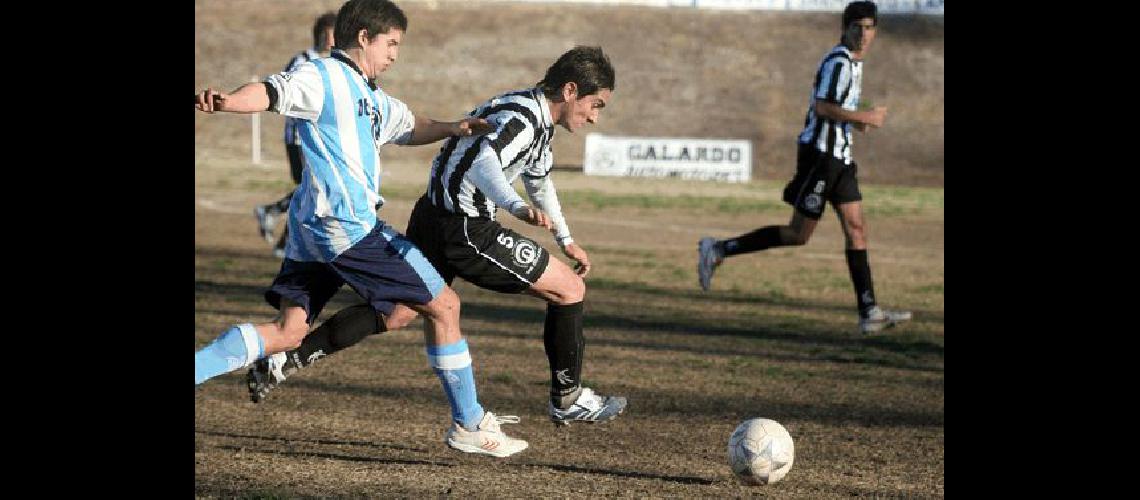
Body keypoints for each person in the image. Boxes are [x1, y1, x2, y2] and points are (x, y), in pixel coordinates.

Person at [194, 0, 528, 458]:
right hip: (346, 225)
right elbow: (270, 93)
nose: (395, 54)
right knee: (445, 306)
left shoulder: (369, 94)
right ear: (365, 38)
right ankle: (469, 423)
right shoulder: (323, 76)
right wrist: (229, 101)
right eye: (391, 43)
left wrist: (454, 127)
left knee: (289, 332)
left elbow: (410, 126)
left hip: (314, 226)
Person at [244, 46, 629, 427]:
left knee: (397, 312)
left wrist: (565, 238)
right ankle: (568, 398)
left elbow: (540, 181)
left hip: (432, 216)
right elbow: (483, 164)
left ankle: (284, 361)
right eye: (596, 105)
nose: (594, 117)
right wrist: (515, 207)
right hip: (466, 228)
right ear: (570, 90)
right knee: (569, 290)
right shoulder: (523, 119)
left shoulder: (529, 114)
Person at [696, 1, 911, 335]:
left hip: (841, 159)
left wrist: (857, 122)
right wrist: (863, 117)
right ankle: (719, 248)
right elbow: (822, 106)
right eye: (858, 26)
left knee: (857, 228)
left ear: (876, 30)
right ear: (846, 27)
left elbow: (837, 108)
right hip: (820, 158)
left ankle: (870, 311)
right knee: (798, 234)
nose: (864, 34)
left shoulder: (855, 64)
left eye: (869, 27)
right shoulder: (837, 62)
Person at [255, 12, 338, 258]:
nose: (335, 40)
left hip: (320, 141)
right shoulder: (303, 61)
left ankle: (277, 227)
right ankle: (279, 231)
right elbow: (287, 94)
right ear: (321, 34)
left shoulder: (333, 65)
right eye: (331, 34)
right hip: (300, 139)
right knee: (311, 189)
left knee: (311, 191)